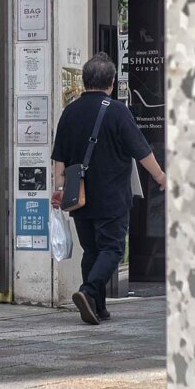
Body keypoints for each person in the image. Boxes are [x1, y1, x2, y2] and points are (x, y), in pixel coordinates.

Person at [50, 52, 166, 326]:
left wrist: (57, 188)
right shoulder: (117, 111)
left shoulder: (70, 111)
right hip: (112, 196)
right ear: (112, 83)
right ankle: (89, 293)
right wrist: (161, 176)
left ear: (84, 80)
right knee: (112, 248)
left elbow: (59, 157)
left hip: (79, 196)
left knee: (91, 250)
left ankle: (98, 307)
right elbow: (141, 151)